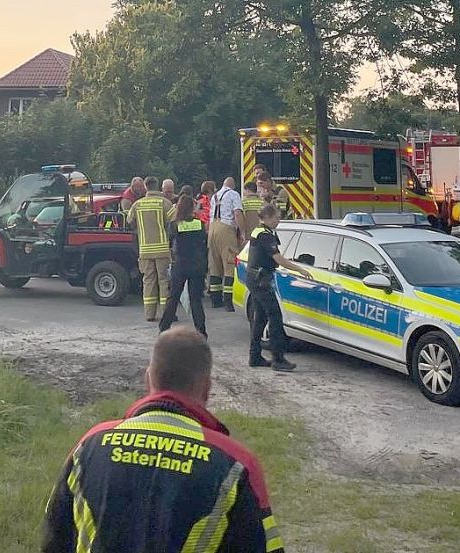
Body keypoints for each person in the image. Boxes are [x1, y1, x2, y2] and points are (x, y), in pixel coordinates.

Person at [42, 327, 284, 553]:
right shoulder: (235, 464)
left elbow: (54, 539)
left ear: (148, 380)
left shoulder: (90, 446)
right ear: (207, 388)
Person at [246, 204, 312, 372]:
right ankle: (278, 358)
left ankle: (254, 356)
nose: (279, 220)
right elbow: (278, 258)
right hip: (261, 280)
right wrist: (300, 269)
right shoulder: (266, 236)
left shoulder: (258, 231)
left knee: (260, 318)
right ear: (267, 217)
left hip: (255, 278)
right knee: (275, 316)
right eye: (276, 217)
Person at [127, 176, 176, 321]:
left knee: (148, 281)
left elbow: (130, 221)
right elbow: (174, 221)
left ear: (146, 187)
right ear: (157, 186)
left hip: (145, 249)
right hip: (162, 249)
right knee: (163, 281)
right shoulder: (164, 203)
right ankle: (166, 314)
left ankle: (149, 314)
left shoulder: (137, 204)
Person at [159, 194, 208, 337]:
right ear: (192, 207)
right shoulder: (200, 224)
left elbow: (170, 244)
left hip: (180, 265)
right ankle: (201, 332)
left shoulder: (174, 225)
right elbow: (204, 245)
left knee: (173, 298)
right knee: (196, 301)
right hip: (197, 265)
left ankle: (164, 329)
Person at [208, 177, 245, 311]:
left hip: (212, 229)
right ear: (233, 186)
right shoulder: (234, 194)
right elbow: (237, 213)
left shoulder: (214, 197)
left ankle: (215, 299)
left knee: (214, 264)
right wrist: (242, 231)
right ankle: (229, 302)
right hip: (226, 228)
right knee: (229, 263)